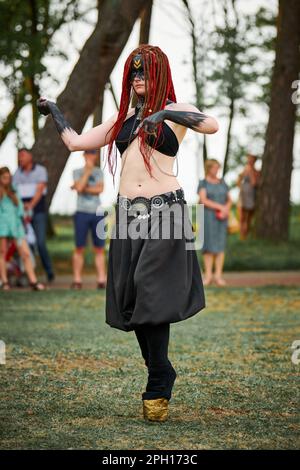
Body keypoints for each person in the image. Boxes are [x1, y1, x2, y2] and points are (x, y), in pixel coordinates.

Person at [36, 44, 219, 422]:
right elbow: (74, 142)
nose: (138, 78)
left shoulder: (176, 115)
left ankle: (157, 379)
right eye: (133, 73)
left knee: (148, 286)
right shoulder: (122, 121)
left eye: (145, 73)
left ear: (159, 76)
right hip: (127, 217)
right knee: (133, 299)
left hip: (165, 212)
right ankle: (160, 369)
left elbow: (212, 124)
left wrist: (164, 111)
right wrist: (54, 110)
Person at [13, 148, 55, 283]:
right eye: (19, 157)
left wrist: (30, 205)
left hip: (38, 212)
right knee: (25, 244)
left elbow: (40, 190)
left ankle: (49, 272)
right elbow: (15, 193)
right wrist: (22, 207)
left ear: (30, 157)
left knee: (40, 243)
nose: (21, 159)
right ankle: (29, 274)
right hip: (22, 214)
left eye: (23, 156)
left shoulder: (40, 171)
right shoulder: (17, 174)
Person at [0, 167, 45, 291]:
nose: (6, 180)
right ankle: (4, 281)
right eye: (4, 178)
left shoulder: (13, 190)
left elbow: (19, 207)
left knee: (25, 253)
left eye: (8, 178)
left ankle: (33, 281)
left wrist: (24, 214)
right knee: (2, 253)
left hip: (16, 225)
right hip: (2, 225)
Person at [71, 149, 107, 289]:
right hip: (81, 212)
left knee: (99, 248)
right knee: (79, 247)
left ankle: (101, 280)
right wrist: (87, 172)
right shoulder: (77, 171)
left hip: (97, 212)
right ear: (84, 155)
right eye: (89, 153)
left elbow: (100, 190)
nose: (91, 156)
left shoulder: (99, 172)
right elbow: (79, 187)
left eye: (93, 153)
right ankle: (77, 280)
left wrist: (81, 186)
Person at [197, 159, 232, 287]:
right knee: (209, 246)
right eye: (215, 168)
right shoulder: (203, 183)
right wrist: (220, 207)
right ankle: (208, 276)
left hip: (222, 217)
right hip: (208, 216)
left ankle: (218, 275)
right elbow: (203, 200)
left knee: (220, 245)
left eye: (218, 168)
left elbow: (229, 199)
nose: (217, 170)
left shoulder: (222, 182)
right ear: (209, 168)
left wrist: (226, 209)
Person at [237, 154, 260, 240]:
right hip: (243, 196)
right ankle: (242, 236)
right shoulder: (244, 170)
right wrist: (242, 175)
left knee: (249, 218)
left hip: (252, 196)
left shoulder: (256, 171)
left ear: (254, 161)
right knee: (242, 217)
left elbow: (254, 183)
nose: (249, 161)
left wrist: (250, 172)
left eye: (251, 159)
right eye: (248, 159)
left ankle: (246, 235)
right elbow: (238, 183)